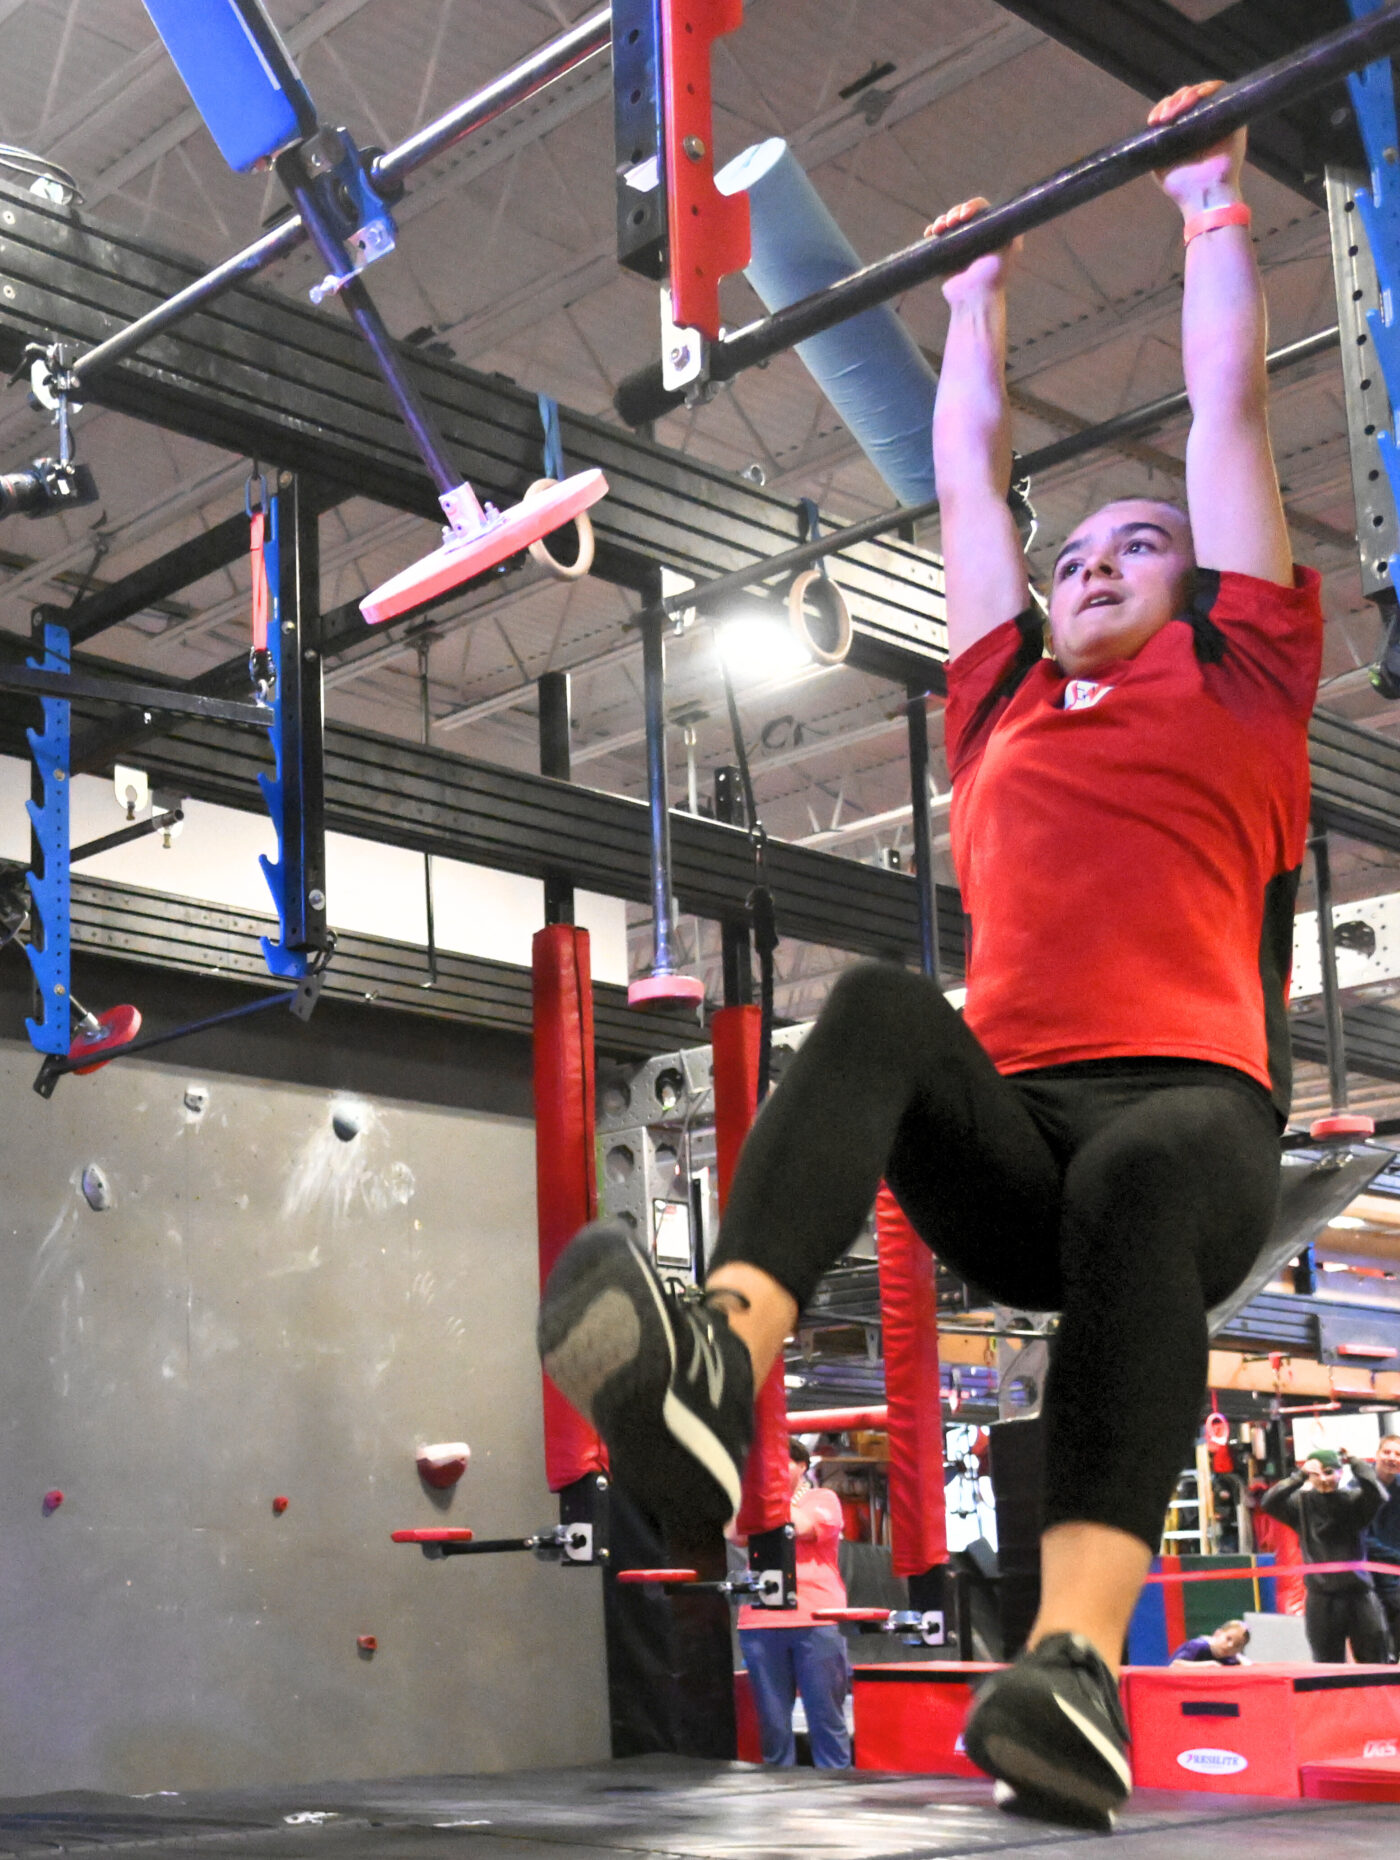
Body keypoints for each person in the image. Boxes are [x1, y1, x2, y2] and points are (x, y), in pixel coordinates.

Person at [540, 82, 1310, 1831]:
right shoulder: (1002, 708)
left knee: (1136, 1176)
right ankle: (723, 1369)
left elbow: (1230, 421)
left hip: (1191, 1134)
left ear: (1202, 590)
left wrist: (1208, 206)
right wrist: (972, 299)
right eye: (1076, 557)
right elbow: (965, 477)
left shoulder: (1246, 683)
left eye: (1142, 548)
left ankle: (1074, 1674)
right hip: (1014, 1138)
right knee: (887, 1003)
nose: (1098, 563)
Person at [737, 1436, 853, 1769]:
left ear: (802, 1467)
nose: (773, 1470)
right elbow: (734, 1532)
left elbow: (799, 1526)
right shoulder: (756, 1499)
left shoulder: (822, 1498)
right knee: (772, 1724)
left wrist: (766, 1493)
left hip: (816, 1619)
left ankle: (835, 1790)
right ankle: (777, 1794)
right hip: (761, 1621)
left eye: (782, 1462)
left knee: (825, 1717)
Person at [1259, 1449, 1391, 1663]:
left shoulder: (1354, 1502)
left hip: (1358, 1594)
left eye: (1329, 1473)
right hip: (1322, 1598)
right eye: (1316, 1474)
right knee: (1327, 1666)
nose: (1323, 1480)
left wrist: (1355, 1462)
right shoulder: (1301, 1505)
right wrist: (1299, 1476)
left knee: (1376, 1661)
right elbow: (1269, 1502)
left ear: (1340, 1473)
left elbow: (1377, 1493)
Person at [1368, 1434, 1400, 1658]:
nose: (1392, 1458)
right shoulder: (1362, 1488)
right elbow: (1363, 1539)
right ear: (1377, 1455)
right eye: (1387, 1452)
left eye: (1397, 1454)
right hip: (1370, 1578)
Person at [1170, 1619, 1249, 1665]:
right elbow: (1175, 1665)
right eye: (1228, 1638)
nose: (1230, 1645)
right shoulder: (1197, 1646)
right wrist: (1207, 1665)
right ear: (1217, 1633)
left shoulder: (1230, 1659)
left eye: (1237, 1645)